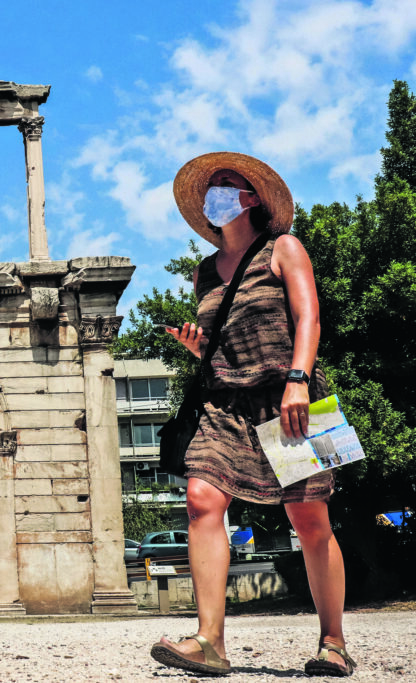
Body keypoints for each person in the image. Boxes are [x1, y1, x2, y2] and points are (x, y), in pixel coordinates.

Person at [150, 152, 354, 677]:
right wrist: (198, 349)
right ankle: (208, 640)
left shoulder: (283, 248)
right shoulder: (204, 272)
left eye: (226, 182)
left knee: (310, 520)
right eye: (211, 185)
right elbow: (223, 344)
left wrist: (298, 381)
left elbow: (309, 316)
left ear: (253, 198)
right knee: (201, 498)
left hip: (294, 393)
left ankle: (333, 642)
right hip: (225, 401)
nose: (215, 190)